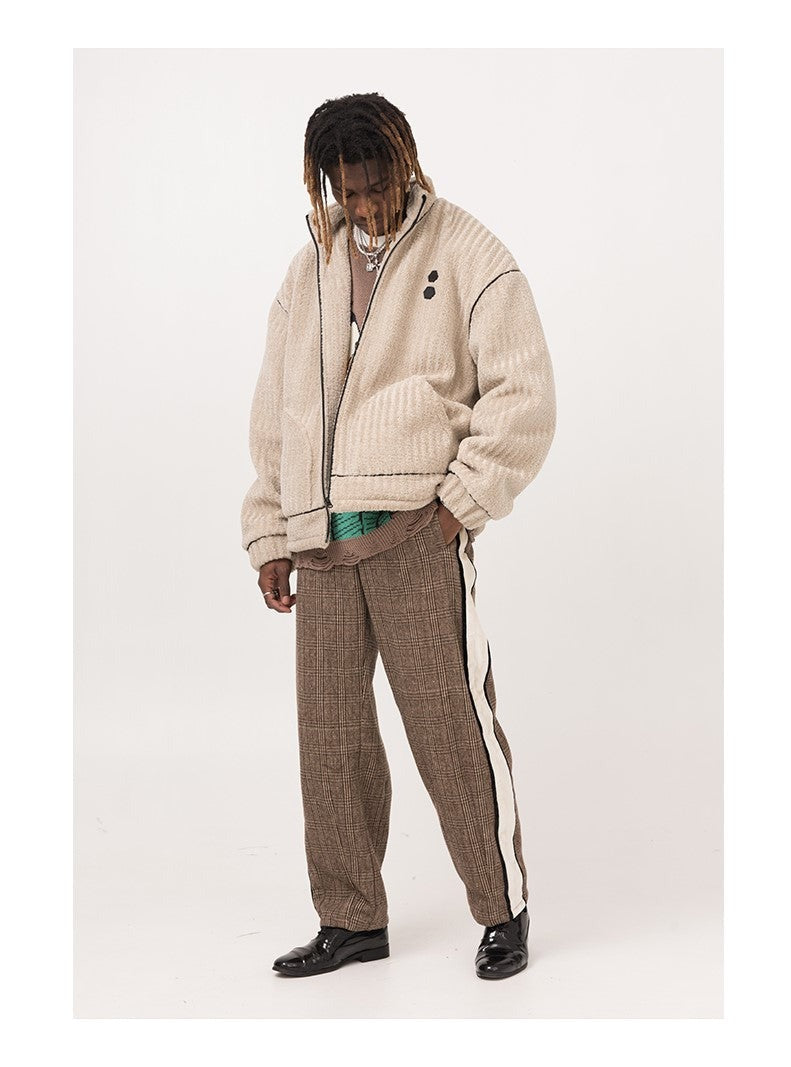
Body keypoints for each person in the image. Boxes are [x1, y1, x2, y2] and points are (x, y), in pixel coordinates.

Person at [241, 91, 556, 980]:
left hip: (417, 529)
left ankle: (501, 909)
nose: (364, 202)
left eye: (375, 182)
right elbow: (277, 408)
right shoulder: (309, 269)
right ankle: (350, 919)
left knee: (450, 728)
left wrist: (464, 499)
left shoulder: (468, 251)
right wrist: (271, 528)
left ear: (403, 163)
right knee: (330, 739)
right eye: (346, 188)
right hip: (321, 542)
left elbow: (524, 393)